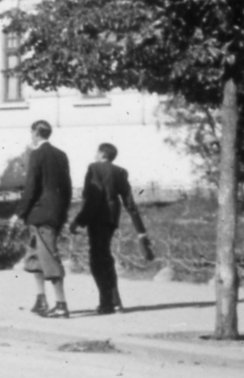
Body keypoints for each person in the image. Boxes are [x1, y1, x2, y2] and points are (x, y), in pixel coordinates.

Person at [70, 143, 151, 315]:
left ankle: (110, 302)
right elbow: (130, 203)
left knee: (97, 259)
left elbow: (91, 197)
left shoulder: (93, 168)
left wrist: (78, 221)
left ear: (101, 154)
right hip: (112, 218)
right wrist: (140, 230)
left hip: (96, 217)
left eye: (96, 151)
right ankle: (113, 302)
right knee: (105, 256)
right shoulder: (120, 172)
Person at [13, 119, 72, 318]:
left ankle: (61, 304)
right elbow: (67, 187)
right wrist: (62, 212)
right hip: (54, 213)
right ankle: (41, 299)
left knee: (48, 257)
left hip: (40, 214)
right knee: (36, 256)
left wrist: (18, 213)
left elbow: (31, 187)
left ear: (36, 134)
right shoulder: (61, 155)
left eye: (32, 133)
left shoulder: (37, 154)